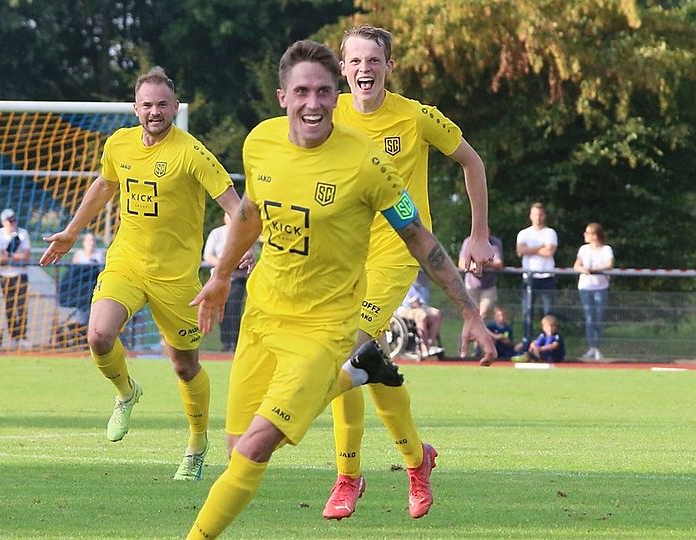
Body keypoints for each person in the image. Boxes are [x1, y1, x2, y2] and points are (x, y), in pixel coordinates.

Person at [185, 39, 496, 540]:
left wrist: (471, 311)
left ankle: (349, 473)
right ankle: (366, 381)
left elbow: (421, 236)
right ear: (283, 96)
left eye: (323, 92)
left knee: (255, 448)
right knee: (237, 447)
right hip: (265, 313)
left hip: (340, 305)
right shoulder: (261, 142)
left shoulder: (373, 155)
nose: (314, 102)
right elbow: (249, 210)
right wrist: (221, 275)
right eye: (303, 91)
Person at [39, 67, 246, 481]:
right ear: (136, 108)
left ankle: (197, 442)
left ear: (175, 107)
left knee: (184, 365)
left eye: (162, 104)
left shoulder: (193, 153)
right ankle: (126, 392)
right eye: (147, 104)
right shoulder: (119, 144)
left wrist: (240, 249)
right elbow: (103, 186)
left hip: (176, 278)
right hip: (127, 262)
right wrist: (71, 232)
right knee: (98, 335)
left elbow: (233, 205)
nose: (155, 111)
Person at [322, 24, 493, 521]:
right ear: (342, 69)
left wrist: (478, 234)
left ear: (389, 67)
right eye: (354, 61)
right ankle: (418, 461)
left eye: (373, 60)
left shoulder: (415, 117)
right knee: (363, 365)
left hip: (397, 254)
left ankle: (347, 478)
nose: (363, 70)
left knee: (347, 351)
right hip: (341, 258)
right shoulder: (327, 117)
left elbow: (472, 161)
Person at [203, 213, 249, 352]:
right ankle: (225, 343)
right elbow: (208, 255)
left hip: (237, 278)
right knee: (221, 311)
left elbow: (247, 255)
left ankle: (234, 344)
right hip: (218, 278)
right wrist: (224, 265)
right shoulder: (217, 233)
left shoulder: (246, 233)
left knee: (233, 311)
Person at [516, 202, 558, 340]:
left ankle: (548, 342)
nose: (537, 217)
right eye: (535, 214)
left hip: (547, 277)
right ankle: (527, 342)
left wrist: (530, 250)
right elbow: (520, 251)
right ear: (530, 216)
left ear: (544, 216)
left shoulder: (550, 232)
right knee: (527, 312)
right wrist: (540, 247)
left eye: (540, 214)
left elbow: (549, 251)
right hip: (529, 278)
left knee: (548, 313)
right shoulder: (524, 233)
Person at [574, 222, 614, 360]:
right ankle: (591, 347)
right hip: (585, 287)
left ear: (595, 235)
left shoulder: (606, 249)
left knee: (598, 317)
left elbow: (609, 264)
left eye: (588, 233)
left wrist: (595, 269)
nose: (585, 235)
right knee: (589, 318)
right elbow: (576, 265)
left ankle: (598, 347)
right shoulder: (583, 249)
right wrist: (583, 269)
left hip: (600, 287)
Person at [0, 208, 33, 349]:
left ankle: (23, 336)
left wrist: (9, 255)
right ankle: (13, 336)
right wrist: (14, 256)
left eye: (14, 220)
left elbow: (27, 256)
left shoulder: (22, 233)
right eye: (9, 221)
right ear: (4, 222)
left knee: (22, 307)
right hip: (5, 276)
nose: (12, 223)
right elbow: (0, 258)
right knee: (9, 307)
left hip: (20, 274)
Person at [459, 233, 504, 319]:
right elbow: (461, 262)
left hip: (488, 286)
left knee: (483, 312)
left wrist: (483, 263)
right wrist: (472, 266)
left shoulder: (494, 242)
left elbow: (499, 263)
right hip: (471, 286)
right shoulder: (468, 241)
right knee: (471, 314)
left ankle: (478, 331)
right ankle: (472, 332)